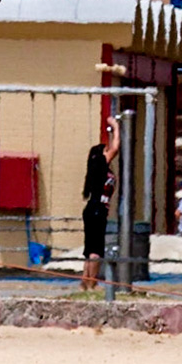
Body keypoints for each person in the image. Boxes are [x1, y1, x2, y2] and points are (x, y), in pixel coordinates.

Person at [81, 117, 119, 291]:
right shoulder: (101, 165)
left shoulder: (95, 168)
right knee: (96, 248)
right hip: (98, 209)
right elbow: (115, 147)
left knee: (90, 248)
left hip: (92, 208)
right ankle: (92, 282)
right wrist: (115, 126)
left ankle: (85, 281)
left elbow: (111, 149)